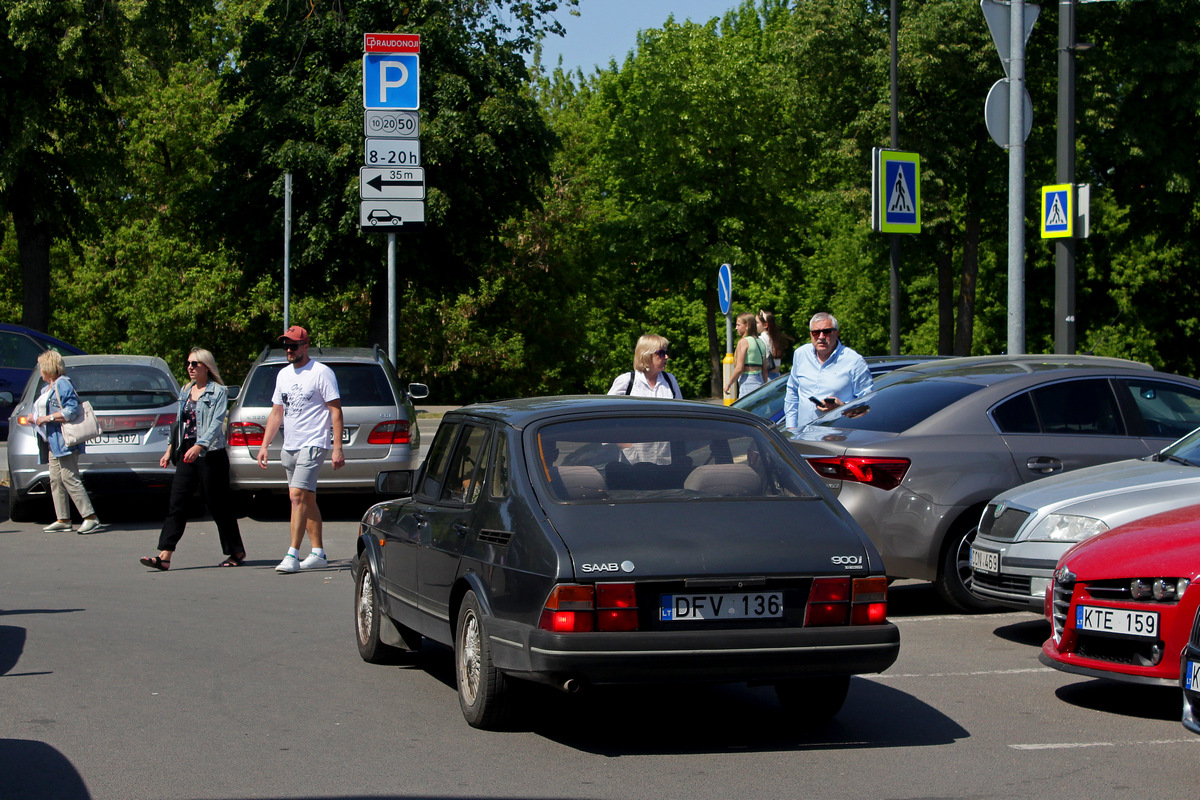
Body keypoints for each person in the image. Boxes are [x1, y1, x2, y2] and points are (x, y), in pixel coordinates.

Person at [138, 349, 245, 571]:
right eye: (188, 363)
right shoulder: (186, 390)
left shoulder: (217, 392)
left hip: (210, 454)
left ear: (206, 366)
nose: (190, 367)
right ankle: (165, 555)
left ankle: (236, 551)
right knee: (177, 502)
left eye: (195, 364)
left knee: (218, 505)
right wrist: (169, 450)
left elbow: (216, 423)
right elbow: (180, 424)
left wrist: (200, 445)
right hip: (186, 451)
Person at [257, 326, 345, 573]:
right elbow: (277, 412)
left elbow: (335, 410)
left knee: (296, 497)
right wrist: (265, 445)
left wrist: (337, 447)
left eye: (294, 345)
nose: (289, 350)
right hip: (290, 445)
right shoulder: (283, 375)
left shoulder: (321, 373)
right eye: (286, 345)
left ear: (305, 346)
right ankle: (318, 553)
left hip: (314, 443)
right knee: (306, 498)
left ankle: (292, 555)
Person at [28, 351, 103, 534]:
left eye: (41, 367)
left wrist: (46, 418)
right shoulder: (47, 388)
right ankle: (63, 518)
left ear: (48, 367)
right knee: (55, 479)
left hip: (65, 440)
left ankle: (91, 517)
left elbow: (71, 411)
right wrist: (35, 418)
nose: (40, 371)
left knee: (70, 477)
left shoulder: (63, 383)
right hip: (52, 441)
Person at [783, 311, 874, 430]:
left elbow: (867, 403)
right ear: (811, 334)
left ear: (837, 333)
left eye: (826, 332)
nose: (821, 337)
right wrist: (791, 427)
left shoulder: (854, 361)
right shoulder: (801, 354)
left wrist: (842, 408)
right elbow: (792, 392)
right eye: (816, 332)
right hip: (802, 436)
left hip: (837, 438)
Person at [606, 334, 683, 399]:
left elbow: (680, 410)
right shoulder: (626, 381)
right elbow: (607, 408)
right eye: (662, 353)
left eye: (667, 352)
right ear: (647, 355)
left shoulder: (670, 380)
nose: (666, 357)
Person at [724, 312, 768, 398]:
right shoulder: (761, 342)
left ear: (747, 325)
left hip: (748, 380)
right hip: (760, 381)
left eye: (738, 325)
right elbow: (765, 370)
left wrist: (728, 384)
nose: (736, 328)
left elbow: (739, 368)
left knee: (744, 410)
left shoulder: (744, 342)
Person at [757, 309, 792, 381]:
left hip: (767, 375)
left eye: (757, 323)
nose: (754, 325)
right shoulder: (776, 337)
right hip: (777, 375)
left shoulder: (761, 338)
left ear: (765, 325)